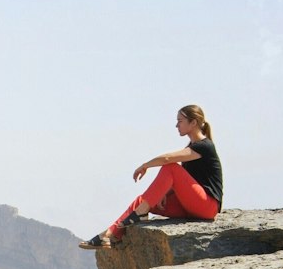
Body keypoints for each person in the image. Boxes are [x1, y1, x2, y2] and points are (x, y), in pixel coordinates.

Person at [78, 104, 223, 250]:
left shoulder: (204, 146)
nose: (176, 125)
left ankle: (139, 215)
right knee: (142, 201)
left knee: (171, 167)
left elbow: (167, 159)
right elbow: (189, 183)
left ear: (193, 123)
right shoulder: (191, 147)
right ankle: (109, 235)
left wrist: (145, 165)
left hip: (207, 207)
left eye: (180, 121)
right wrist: (165, 193)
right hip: (191, 207)